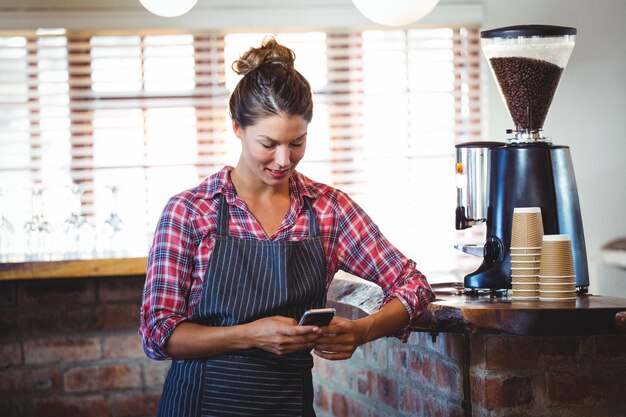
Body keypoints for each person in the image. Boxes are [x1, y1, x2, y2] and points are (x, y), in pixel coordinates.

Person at [139, 36, 435, 417]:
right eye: (269, 143)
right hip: (198, 405)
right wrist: (250, 334)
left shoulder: (329, 209)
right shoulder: (190, 211)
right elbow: (158, 333)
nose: (283, 160)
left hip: (289, 406)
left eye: (297, 143)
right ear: (237, 128)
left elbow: (413, 285)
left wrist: (363, 332)